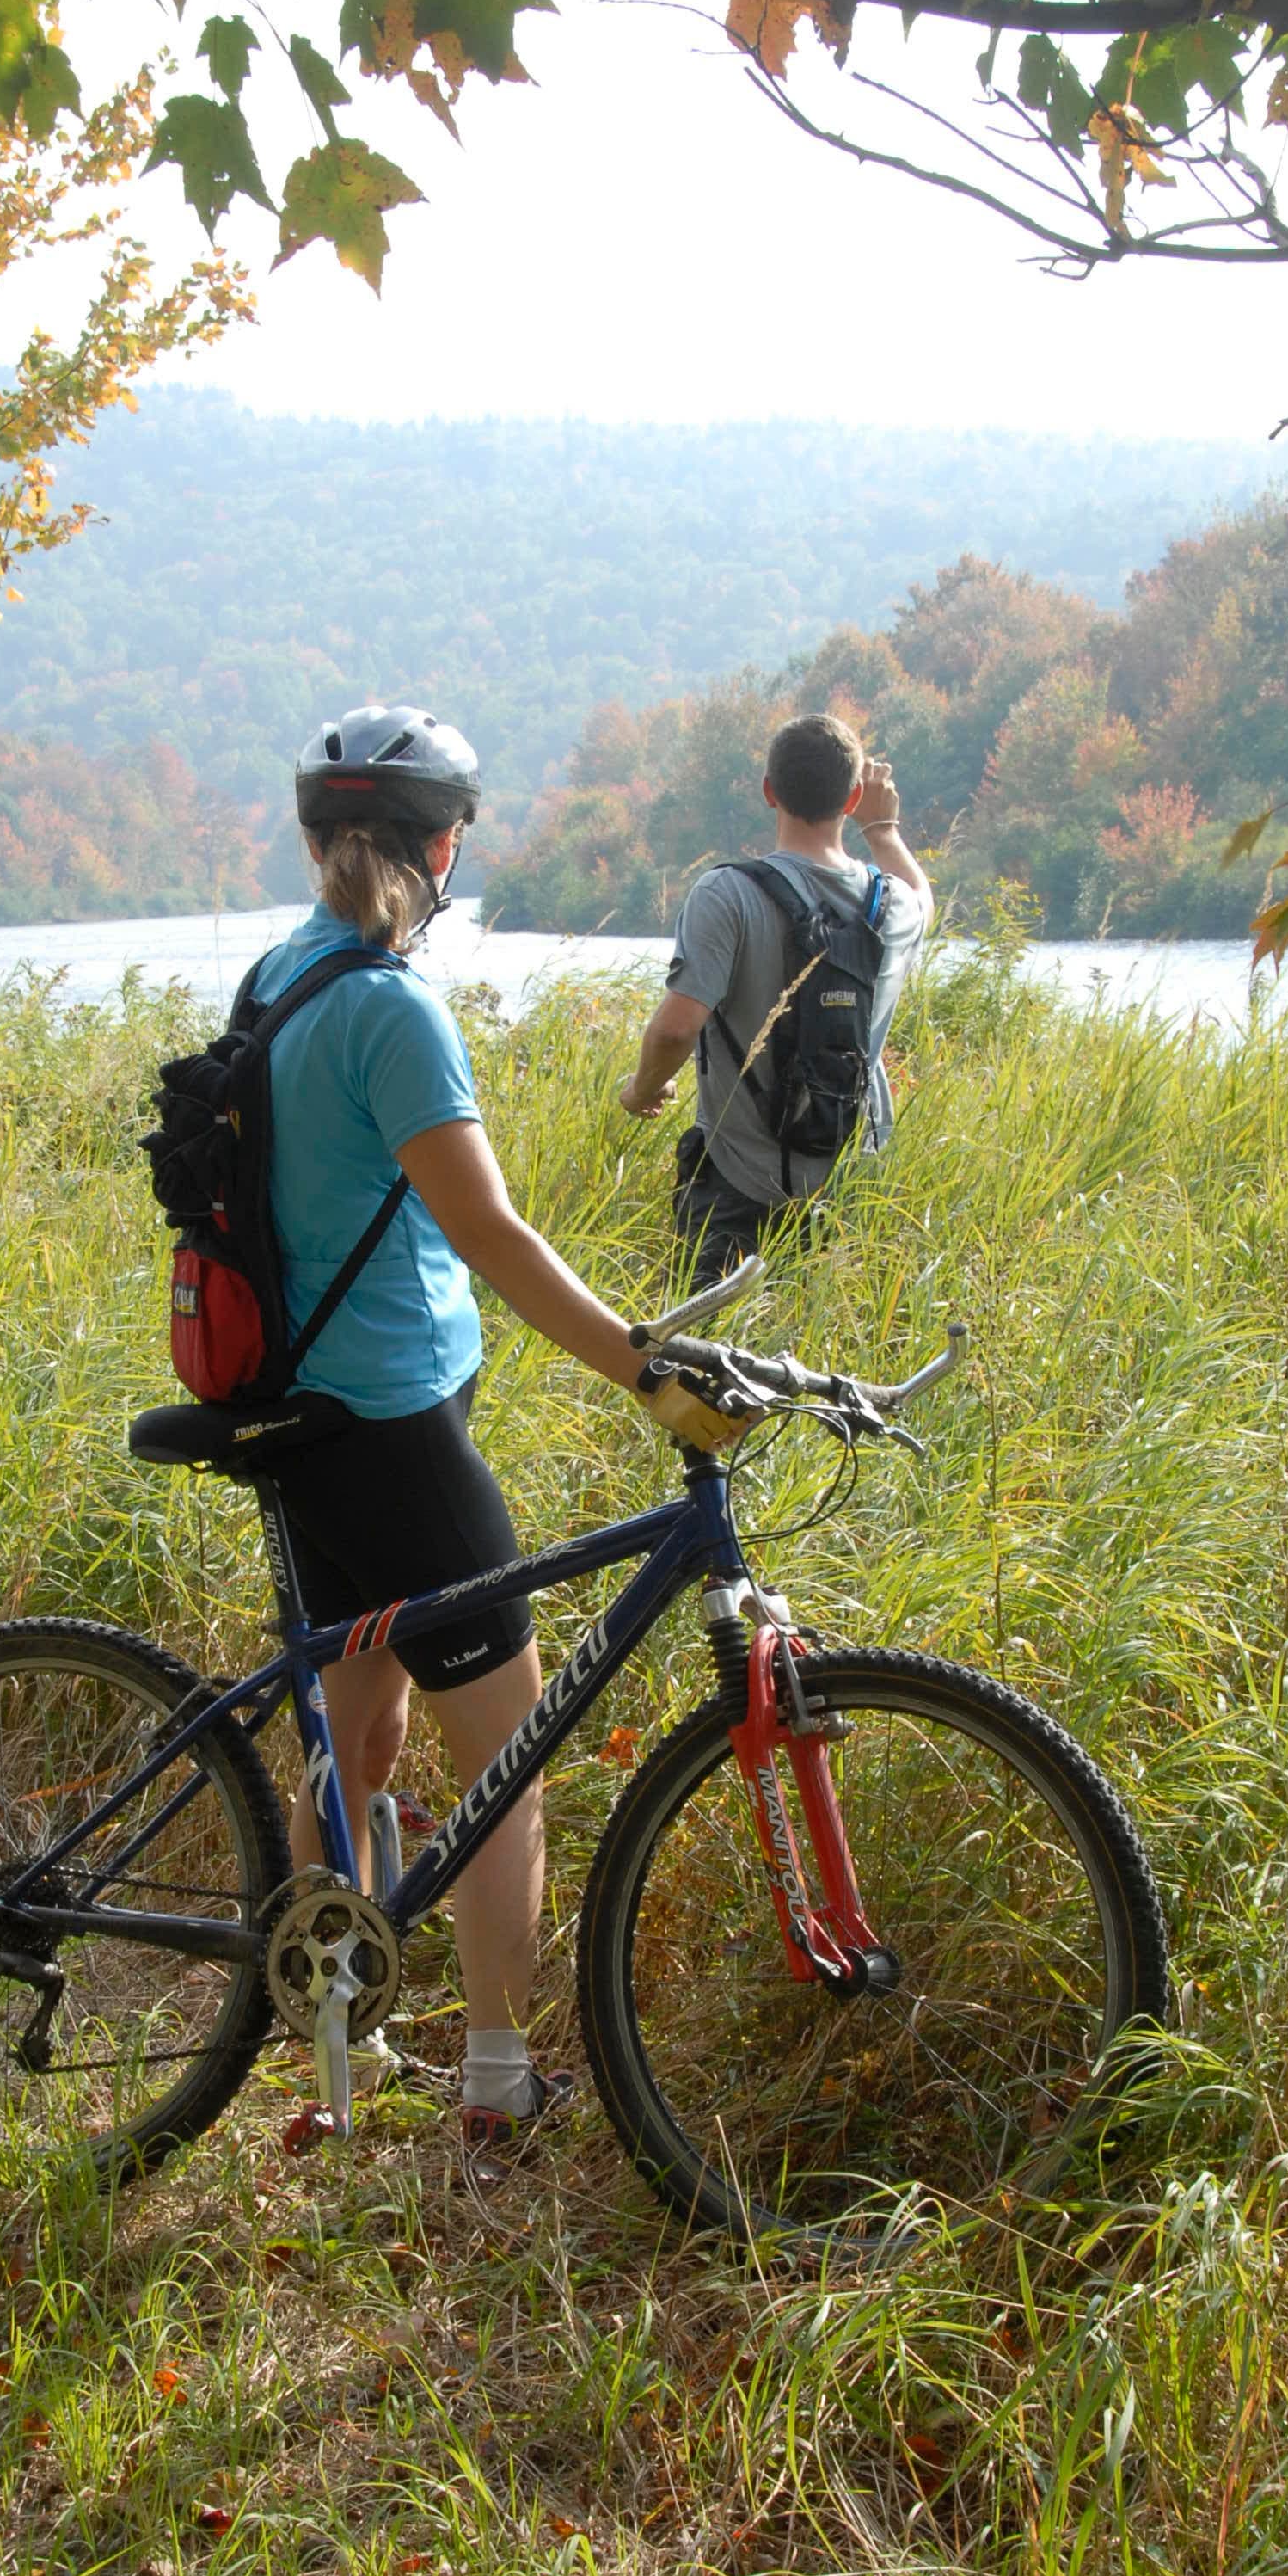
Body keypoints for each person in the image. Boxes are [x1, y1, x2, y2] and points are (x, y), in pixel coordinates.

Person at [251, 702, 736, 2162]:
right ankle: (498, 2078)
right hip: (393, 1428)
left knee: (354, 1739)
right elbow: (493, 1235)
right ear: (442, 848)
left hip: (296, 1415)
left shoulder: (279, 976)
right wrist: (644, 1368)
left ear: (320, 843)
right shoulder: (390, 1010)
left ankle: (338, 2055)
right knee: (506, 1758)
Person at [616, 713, 933, 1284]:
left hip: (737, 1184)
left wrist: (641, 1090)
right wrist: (883, 828)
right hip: (850, 1188)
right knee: (831, 1337)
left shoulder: (728, 893)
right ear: (852, 798)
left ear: (769, 791)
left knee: (705, 1338)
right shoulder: (894, 908)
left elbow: (677, 1029)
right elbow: (921, 895)